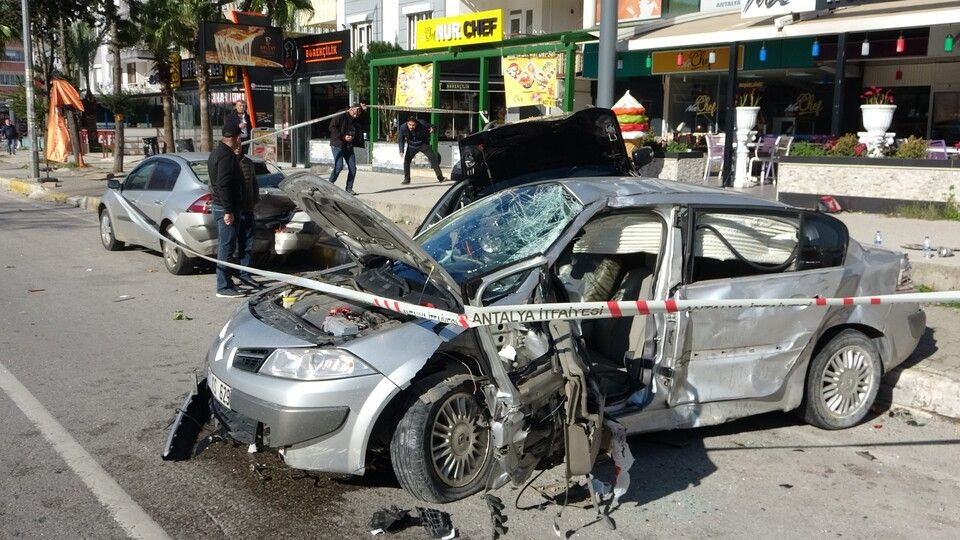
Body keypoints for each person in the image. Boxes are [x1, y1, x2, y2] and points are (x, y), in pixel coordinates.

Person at [208, 124, 259, 298]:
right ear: (237, 138)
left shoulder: (218, 153)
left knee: (230, 247)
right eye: (240, 138)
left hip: (230, 207)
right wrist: (228, 210)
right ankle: (223, 287)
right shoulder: (225, 156)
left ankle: (229, 282)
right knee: (226, 247)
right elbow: (222, 185)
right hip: (226, 208)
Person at [328, 103, 367, 194]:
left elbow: (365, 123)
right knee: (339, 166)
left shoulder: (356, 118)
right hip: (338, 144)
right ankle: (329, 184)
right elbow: (332, 127)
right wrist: (343, 136)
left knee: (353, 168)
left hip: (349, 146)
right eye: (355, 111)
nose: (356, 114)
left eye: (358, 112)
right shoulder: (341, 114)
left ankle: (349, 188)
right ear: (350, 109)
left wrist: (365, 111)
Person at [398, 116, 446, 185]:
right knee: (406, 161)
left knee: (433, 159)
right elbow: (401, 140)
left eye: (413, 125)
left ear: (416, 124)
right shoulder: (403, 127)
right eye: (410, 125)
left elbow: (434, 126)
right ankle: (407, 179)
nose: (411, 127)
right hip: (412, 145)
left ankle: (440, 177)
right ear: (407, 123)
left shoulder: (422, 123)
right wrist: (401, 150)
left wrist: (433, 129)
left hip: (423, 144)